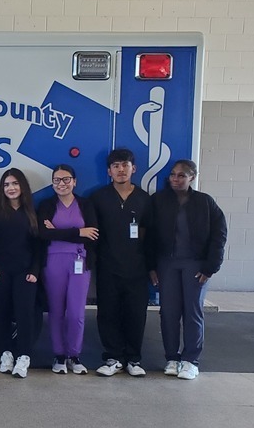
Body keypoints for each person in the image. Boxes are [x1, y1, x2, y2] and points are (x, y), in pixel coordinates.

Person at [148, 159, 227, 380]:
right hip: (166, 264)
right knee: (169, 313)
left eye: (181, 175)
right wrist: (151, 266)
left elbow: (219, 236)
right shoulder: (159, 201)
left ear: (192, 177)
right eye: (173, 175)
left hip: (196, 265)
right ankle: (172, 358)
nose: (175, 178)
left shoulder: (205, 202)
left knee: (192, 312)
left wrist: (210, 267)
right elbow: (150, 236)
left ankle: (191, 360)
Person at [89, 148, 153, 377]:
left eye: (125, 165)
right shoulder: (98, 198)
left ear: (133, 168)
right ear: (109, 171)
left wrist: (151, 267)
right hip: (108, 268)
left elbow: (150, 235)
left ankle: (134, 359)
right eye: (116, 166)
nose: (121, 170)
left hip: (137, 269)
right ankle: (113, 358)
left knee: (136, 315)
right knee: (108, 314)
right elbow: (93, 234)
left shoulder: (145, 199)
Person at [0, 168, 42, 379]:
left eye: (15, 184)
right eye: (6, 185)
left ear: (22, 186)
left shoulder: (32, 212)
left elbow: (38, 246)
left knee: (25, 315)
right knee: (1, 313)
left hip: (25, 273)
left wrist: (35, 271)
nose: (11, 188)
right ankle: (5, 354)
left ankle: (23, 357)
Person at [38, 165, 99, 375]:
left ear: (74, 181)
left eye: (66, 180)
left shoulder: (85, 204)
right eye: (56, 180)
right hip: (53, 261)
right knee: (56, 311)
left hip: (80, 261)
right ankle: (60, 356)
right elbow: (43, 235)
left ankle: (74, 355)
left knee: (76, 312)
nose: (61, 184)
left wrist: (59, 232)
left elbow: (93, 233)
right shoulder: (46, 205)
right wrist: (77, 232)